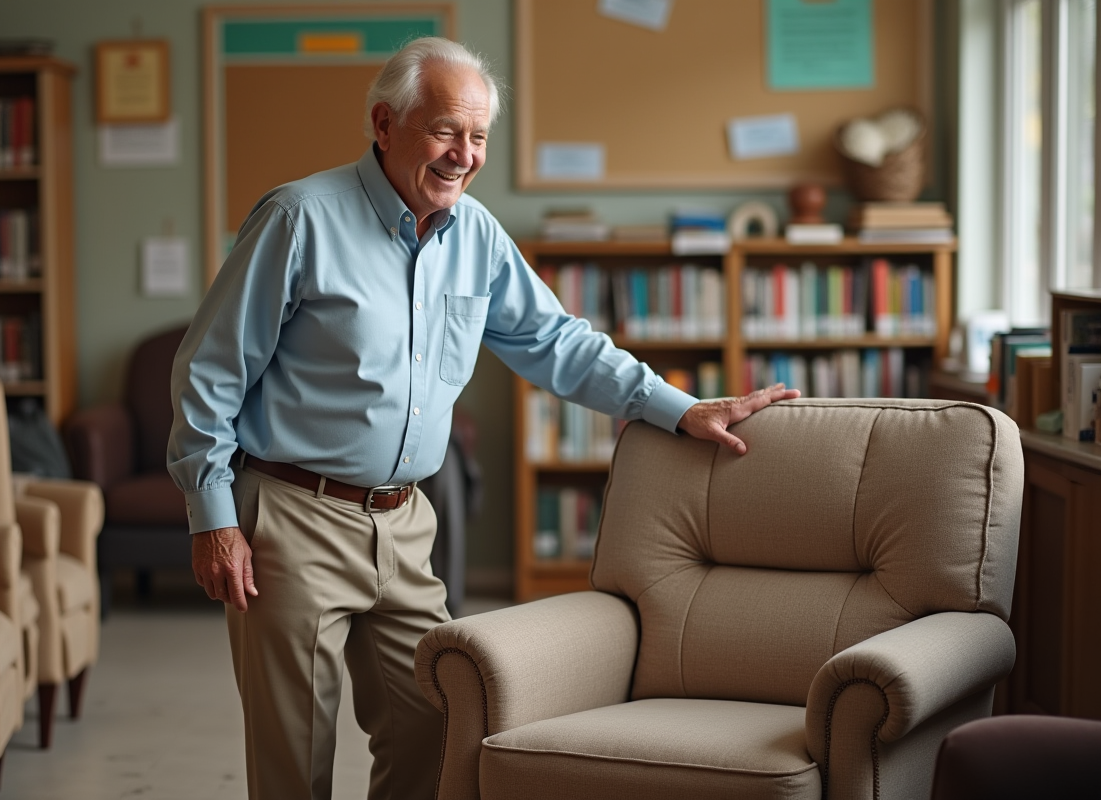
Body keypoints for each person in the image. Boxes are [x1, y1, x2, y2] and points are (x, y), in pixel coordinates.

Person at [167, 37, 799, 800]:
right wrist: (213, 516)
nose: (462, 155)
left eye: (477, 138)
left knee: (434, 725)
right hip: (293, 516)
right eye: (444, 131)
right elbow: (209, 372)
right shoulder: (300, 219)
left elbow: (555, 343)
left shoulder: (477, 235)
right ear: (383, 123)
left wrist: (680, 409)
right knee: (294, 750)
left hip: (404, 523)